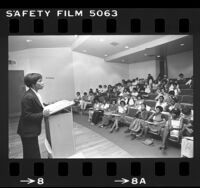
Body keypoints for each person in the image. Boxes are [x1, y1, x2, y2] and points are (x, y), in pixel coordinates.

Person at [17, 73, 50, 159]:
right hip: (27, 131)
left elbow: (39, 105)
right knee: (32, 155)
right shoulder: (28, 96)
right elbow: (27, 116)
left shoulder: (34, 93)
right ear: (33, 84)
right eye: (40, 81)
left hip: (31, 130)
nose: (43, 82)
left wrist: (50, 105)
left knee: (32, 153)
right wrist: (42, 114)